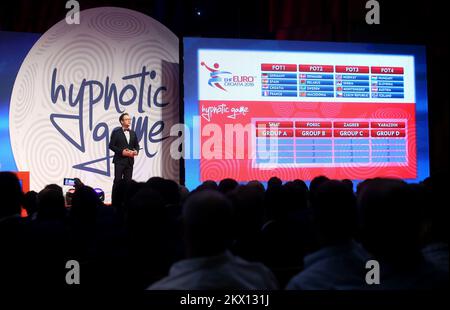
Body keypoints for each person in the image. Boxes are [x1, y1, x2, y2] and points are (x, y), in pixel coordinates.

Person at [109, 113, 140, 185]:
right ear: (122, 121)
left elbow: (137, 145)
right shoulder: (116, 133)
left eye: (129, 119)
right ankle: (116, 196)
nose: (129, 121)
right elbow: (111, 146)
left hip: (129, 161)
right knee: (117, 181)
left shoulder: (133, 133)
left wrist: (136, 151)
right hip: (119, 161)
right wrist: (121, 152)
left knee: (128, 183)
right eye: (126, 119)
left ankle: (127, 196)